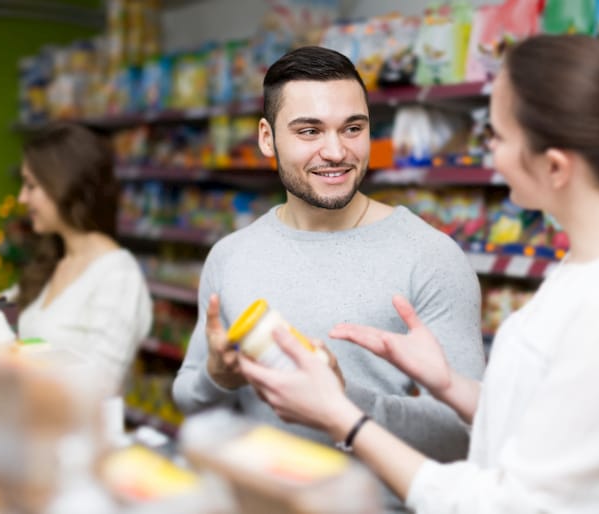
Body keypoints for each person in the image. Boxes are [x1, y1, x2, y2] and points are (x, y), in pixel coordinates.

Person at [239, 34, 599, 514]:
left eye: (495, 137)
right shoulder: (587, 267)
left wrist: (343, 420)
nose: (489, 154)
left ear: (555, 166)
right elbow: (554, 432)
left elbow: (518, 505)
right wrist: (446, 384)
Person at [172, 46, 486, 512]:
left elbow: (463, 437)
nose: (336, 151)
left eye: (352, 129)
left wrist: (339, 401)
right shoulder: (230, 256)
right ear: (267, 137)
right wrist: (217, 378)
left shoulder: (430, 257)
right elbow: (190, 400)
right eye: (309, 131)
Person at [12, 122, 153, 396]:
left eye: (30, 186)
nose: (21, 198)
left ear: (63, 183)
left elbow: (100, 387)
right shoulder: (55, 261)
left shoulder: (118, 276)